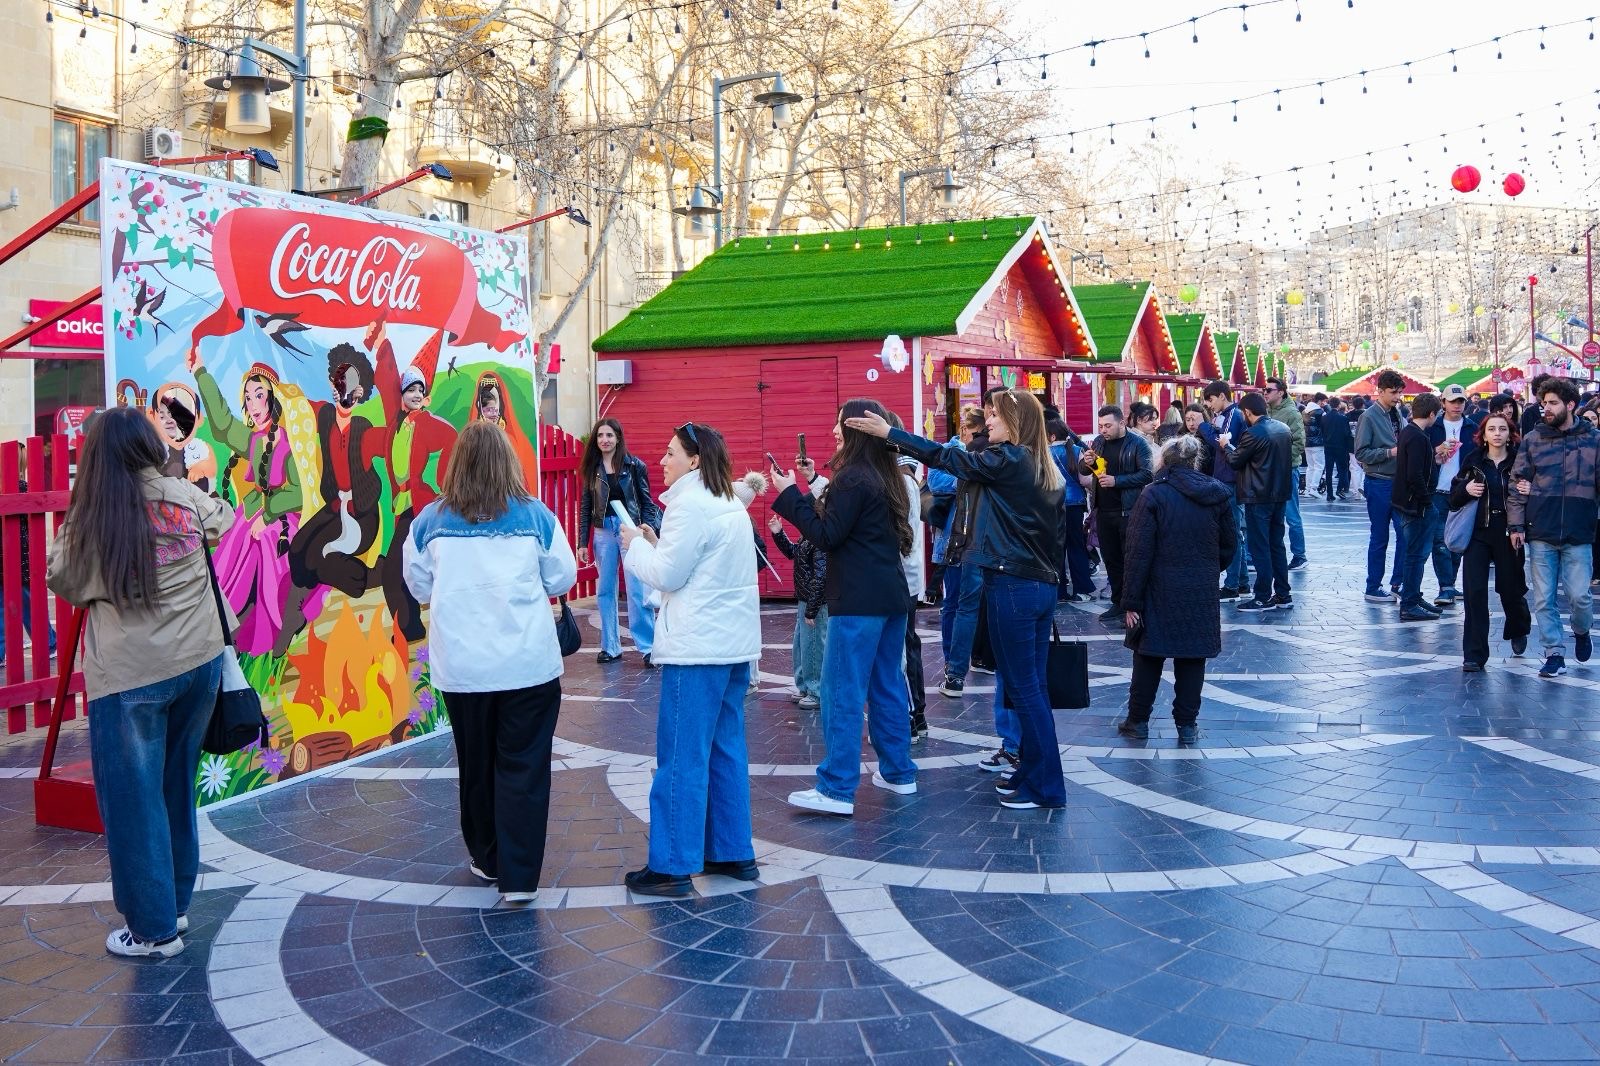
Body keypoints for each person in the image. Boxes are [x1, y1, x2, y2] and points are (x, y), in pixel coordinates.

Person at [46, 408, 233, 958]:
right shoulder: (183, 495)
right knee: (175, 786)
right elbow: (221, 519)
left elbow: (64, 578)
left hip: (132, 679)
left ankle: (153, 930)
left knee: (133, 802)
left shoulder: (94, 518)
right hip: (198, 663)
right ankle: (173, 905)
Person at [848, 389, 1066, 810]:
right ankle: (1033, 772)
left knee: (1025, 690)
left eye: (995, 416)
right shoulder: (1038, 464)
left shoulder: (1011, 459)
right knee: (1030, 688)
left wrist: (891, 433)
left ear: (1016, 421)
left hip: (1014, 586)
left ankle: (1046, 787)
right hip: (1037, 586)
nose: (989, 423)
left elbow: (948, 459)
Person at [403, 421, 577, 905]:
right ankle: (520, 877)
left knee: (475, 764)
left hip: (463, 668)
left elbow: (417, 583)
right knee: (524, 766)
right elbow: (561, 577)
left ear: (457, 462)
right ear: (508, 462)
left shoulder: (430, 521)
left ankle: (487, 857)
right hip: (528, 665)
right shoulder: (536, 516)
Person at [620, 422, 761, 893]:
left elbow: (668, 575)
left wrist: (636, 547)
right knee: (725, 749)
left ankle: (673, 863)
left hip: (697, 647)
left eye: (670, 453)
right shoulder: (726, 500)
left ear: (694, 460)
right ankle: (732, 850)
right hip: (731, 644)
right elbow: (700, 568)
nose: (662, 461)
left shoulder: (689, 504)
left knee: (681, 755)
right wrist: (656, 545)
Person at [773, 400, 917, 817]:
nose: (834, 430)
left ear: (855, 428)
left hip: (857, 600)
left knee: (841, 691)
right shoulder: (884, 474)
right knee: (887, 686)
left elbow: (827, 534)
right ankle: (898, 772)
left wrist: (789, 495)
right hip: (890, 596)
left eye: (839, 423)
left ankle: (836, 788)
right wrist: (808, 486)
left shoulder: (853, 476)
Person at [188, 351, 314, 657]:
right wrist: (200, 372)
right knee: (231, 558)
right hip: (251, 515)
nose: (253, 404)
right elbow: (222, 424)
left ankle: (265, 629)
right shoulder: (253, 439)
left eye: (259, 395)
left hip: (281, 520)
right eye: (248, 397)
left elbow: (298, 494)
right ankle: (224, 630)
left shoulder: (288, 442)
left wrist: (267, 516)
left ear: (273, 399)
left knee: (262, 547)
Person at [1118, 436, 1237, 744]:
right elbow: (1229, 545)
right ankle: (1187, 725)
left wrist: (1131, 601)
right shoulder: (1217, 493)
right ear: (1194, 460)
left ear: (1163, 461)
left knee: (1148, 655)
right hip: (1200, 587)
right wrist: (1207, 568)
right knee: (1193, 657)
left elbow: (1138, 552)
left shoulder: (1153, 494)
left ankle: (1137, 721)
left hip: (1158, 587)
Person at [368, 324, 457, 644]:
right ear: (402, 396)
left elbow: (452, 444)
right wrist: (382, 343)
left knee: (394, 570)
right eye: (410, 390)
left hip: (423, 508)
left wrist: (443, 491)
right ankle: (411, 626)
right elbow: (387, 379)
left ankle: (410, 627)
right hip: (403, 507)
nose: (416, 394)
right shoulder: (396, 422)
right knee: (402, 568)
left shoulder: (433, 426)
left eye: (421, 390)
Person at [1509, 377, 1599, 678]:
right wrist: (1516, 525)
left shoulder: (1593, 440)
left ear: (1570, 405)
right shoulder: (1534, 439)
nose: (1545, 408)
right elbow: (1517, 483)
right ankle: (1554, 653)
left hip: (1579, 530)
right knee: (1543, 598)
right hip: (1541, 530)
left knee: (1580, 597)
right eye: (1543, 403)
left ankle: (1581, 630)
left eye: (1552, 403)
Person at [576, 418, 661, 666]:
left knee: (637, 589)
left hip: (629, 529)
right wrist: (582, 541)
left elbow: (646, 502)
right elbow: (586, 507)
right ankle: (610, 646)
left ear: (618, 438)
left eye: (609, 435)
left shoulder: (635, 466)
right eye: (600, 435)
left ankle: (649, 648)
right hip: (603, 531)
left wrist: (646, 529)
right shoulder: (592, 468)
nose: (605, 440)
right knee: (605, 589)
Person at [1451, 413, 1531, 670]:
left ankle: (1518, 627)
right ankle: (1474, 654)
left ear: (1510, 434)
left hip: (1509, 532)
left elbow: (1535, 492)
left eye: (1502, 429)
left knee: (1511, 589)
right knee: (1474, 592)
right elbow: (1453, 496)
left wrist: (1531, 490)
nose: (1497, 433)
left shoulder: (1519, 460)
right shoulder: (1473, 460)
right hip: (1478, 532)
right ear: (1483, 435)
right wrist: (1465, 490)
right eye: (1492, 429)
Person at [1079, 405, 1154, 628]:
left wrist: (1116, 481)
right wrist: (1087, 462)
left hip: (1128, 511)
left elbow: (1147, 474)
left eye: (1108, 425)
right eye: (1101, 426)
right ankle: (1118, 602)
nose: (1103, 430)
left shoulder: (1138, 443)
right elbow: (1085, 471)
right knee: (1111, 560)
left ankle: (1133, 606)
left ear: (1122, 423)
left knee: (1130, 560)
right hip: (1103, 511)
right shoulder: (1099, 442)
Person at [935, 404, 990, 698]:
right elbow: (936, 481)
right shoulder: (954, 450)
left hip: (977, 541)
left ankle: (969, 663)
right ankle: (954, 663)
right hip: (958, 540)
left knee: (972, 606)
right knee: (958, 603)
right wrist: (966, 477)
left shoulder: (987, 452)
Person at [1226, 392, 1293, 612]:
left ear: (1247, 412)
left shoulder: (1253, 433)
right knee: (1276, 545)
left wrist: (1226, 445)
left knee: (1260, 546)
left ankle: (1263, 596)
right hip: (1279, 495)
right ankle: (1283, 594)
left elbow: (1235, 460)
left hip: (1258, 496)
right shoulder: (1283, 428)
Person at [885, 412, 928, 738]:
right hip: (901, 577)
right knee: (903, 644)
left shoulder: (900, 481)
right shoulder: (901, 478)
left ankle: (913, 716)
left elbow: (904, 536)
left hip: (901, 578)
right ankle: (913, 715)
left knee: (902, 646)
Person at [1355, 370, 1409, 603]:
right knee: (1380, 537)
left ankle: (1398, 583)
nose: (1397, 397)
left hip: (1398, 482)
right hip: (1378, 482)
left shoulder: (1398, 414)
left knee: (1404, 534)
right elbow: (1361, 453)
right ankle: (1373, 586)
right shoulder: (1368, 416)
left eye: (1399, 392)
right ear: (1381, 391)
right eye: (1393, 392)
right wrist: (1389, 453)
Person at [770, 496, 827, 711]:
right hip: (807, 599)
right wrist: (779, 533)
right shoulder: (810, 535)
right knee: (802, 646)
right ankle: (805, 686)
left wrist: (812, 609)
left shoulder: (818, 538)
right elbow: (794, 553)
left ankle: (816, 690)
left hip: (813, 602)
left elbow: (821, 576)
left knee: (813, 647)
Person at [1392, 393, 1444, 622]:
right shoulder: (1417, 437)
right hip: (1416, 506)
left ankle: (1413, 596)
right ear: (1431, 414)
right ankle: (1410, 602)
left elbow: (1418, 468)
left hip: (1411, 503)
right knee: (1416, 555)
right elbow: (1414, 474)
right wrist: (1426, 501)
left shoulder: (1410, 432)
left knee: (1415, 555)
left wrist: (1435, 460)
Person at [1425, 384, 1478, 607]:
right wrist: (1436, 451)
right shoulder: (1433, 427)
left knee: (1458, 540)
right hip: (1438, 490)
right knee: (1440, 540)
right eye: (1452, 401)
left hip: (1463, 490)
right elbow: (1421, 455)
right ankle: (1445, 586)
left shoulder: (1472, 428)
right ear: (1443, 402)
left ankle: (1450, 583)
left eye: (1461, 401)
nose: (1457, 405)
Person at [1200, 381, 1249, 597]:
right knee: (1234, 532)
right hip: (1228, 478)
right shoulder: (1228, 415)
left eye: (1210, 400)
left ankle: (1232, 585)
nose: (1209, 405)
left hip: (1229, 479)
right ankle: (1242, 582)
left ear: (1222, 396)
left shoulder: (1232, 415)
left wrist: (1203, 427)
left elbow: (1221, 442)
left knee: (1232, 533)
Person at [1048, 416, 1096, 602]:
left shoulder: (1043, 453)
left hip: (1051, 505)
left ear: (1051, 436)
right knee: (1076, 547)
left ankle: (1059, 592)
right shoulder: (1077, 450)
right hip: (1075, 504)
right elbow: (1086, 480)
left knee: (1055, 548)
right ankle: (1081, 590)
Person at [1264, 377, 1308, 569]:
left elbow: (1298, 443)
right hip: (1268, 470)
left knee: (1291, 514)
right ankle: (1273, 553)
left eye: (1269, 390)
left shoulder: (1291, 413)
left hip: (1287, 470)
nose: (1265, 393)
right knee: (1272, 514)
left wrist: (1280, 461)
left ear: (1280, 392)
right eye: (1264, 390)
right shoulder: (1266, 410)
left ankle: (1299, 555)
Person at [1320, 397, 1354, 500]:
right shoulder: (1343, 418)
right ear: (1339, 405)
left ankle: (1329, 494)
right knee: (1343, 469)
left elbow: (1322, 432)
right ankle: (1339, 489)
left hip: (1328, 446)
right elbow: (1347, 434)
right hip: (1341, 447)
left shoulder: (1324, 418)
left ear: (1330, 405)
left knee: (1329, 470)